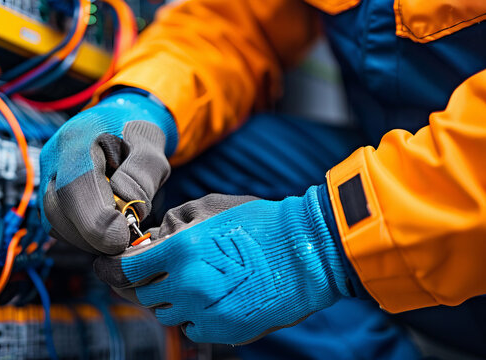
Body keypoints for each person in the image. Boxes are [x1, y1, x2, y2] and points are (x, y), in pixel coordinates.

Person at [39, 0, 486, 357]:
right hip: (407, 191)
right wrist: (143, 103)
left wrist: (319, 239)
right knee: (210, 164)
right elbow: (237, 21)